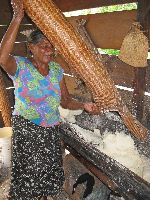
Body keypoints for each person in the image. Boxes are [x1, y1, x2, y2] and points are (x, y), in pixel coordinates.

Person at [0, 0, 99, 200]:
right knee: (29, 176)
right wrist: (18, 17)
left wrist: (84, 105)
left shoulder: (56, 70)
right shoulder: (21, 67)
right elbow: (2, 58)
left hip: (51, 130)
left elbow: (65, 101)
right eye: (43, 45)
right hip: (27, 128)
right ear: (31, 48)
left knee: (48, 175)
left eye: (51, 46)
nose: (48, 49)